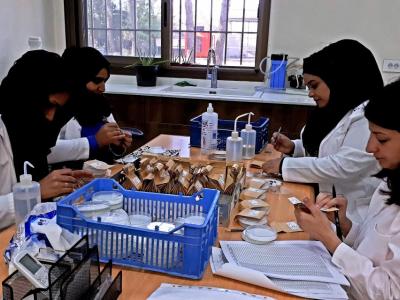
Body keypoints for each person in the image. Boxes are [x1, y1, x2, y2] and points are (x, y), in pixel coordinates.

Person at [294, 79, 400, 299]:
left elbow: (389, 293)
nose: (370, 147)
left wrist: (329, 239)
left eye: (381, 138)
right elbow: (374, 250)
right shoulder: (390, 182)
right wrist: (346, 225)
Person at [263, 39, 383, 223]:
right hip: (324, 204)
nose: (310, 93)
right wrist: (295, 148)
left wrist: (283, 166)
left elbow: (341, 165)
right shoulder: (334, 110)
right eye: (308, 87)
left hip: (354, 216)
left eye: (314, 85)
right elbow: (328, 147)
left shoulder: (368, 117)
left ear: (338, 79)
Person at [0, 50, 92, 229]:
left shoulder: (27, 134)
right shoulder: (8, 128)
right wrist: (34, 192)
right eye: (48, 106)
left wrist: (61, 183)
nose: (51, 117)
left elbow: (33, 167)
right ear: (26, 96)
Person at [47, 47, 132, 165]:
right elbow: (48, 152)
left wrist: (117, 145)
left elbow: (110, 153)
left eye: (104, 81)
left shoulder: (100, 105)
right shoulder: (58, 109)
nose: (103, 88)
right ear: (79, 78)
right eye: (97, 81)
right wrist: (94, 141)